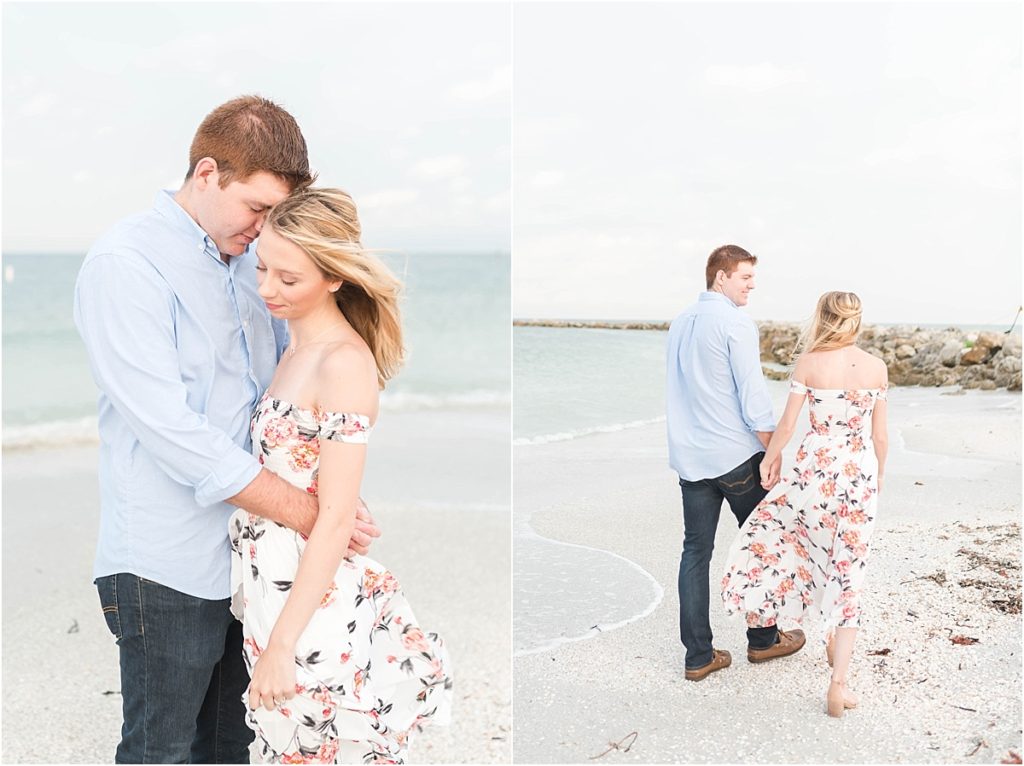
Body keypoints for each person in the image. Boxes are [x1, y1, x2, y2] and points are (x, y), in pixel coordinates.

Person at [74, 96, 380, 764]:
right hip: (166, 563)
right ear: (207, 174)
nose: (266, 230)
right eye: (258, 209)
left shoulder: (251, 267)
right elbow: (170, 430)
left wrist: (333, 491)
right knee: (162, 753)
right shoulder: (126, 264)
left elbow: (276, 409)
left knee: (231, 752)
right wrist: (312, 511)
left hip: (250, 567)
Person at [228, 187, 452, 763]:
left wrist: (281, 645)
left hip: (308, 598)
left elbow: (332, 521)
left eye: (288, 278)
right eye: (263, 270)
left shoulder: (344, 363)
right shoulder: (292, 349)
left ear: (333, 278)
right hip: (268, 583)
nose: (267, 289)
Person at [721, 291, 888, 717]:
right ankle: (838, 686)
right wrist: (878, 476)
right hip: (857, 476)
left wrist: (770, 461)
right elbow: (880, 437)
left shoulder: (810, 363)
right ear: (857, 319)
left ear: (823, 317)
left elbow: (789, 425)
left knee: (801, 547)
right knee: (848, 570)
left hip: (814, 476)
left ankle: (810, 629)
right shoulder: (876, 367)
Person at [666, 244, 806, 681]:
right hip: (737, 458)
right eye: (745, 277)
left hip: (691, 460)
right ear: (720, 277)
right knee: (764, 544)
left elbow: (681, 388)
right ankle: (763, 641)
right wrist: (773, 451)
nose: (751, 285)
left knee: (695, 553)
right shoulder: (735, 323)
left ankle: (698, 657)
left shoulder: (679, 322)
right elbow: (752, 395)